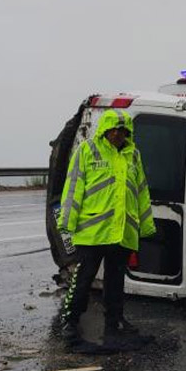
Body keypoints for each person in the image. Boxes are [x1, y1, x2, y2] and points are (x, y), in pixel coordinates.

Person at [57, 109, 156, 351]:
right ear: (105, 130)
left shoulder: (133, 155)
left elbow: (141, 191)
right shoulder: (87, 150)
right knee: (83, 280)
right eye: (114, 130)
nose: (118, 135)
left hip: (122, 233)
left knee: (115, 281)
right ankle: (70, 321)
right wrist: (67, 221)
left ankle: (115, 320)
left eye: (123, 131)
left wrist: (146, 225)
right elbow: (73, 187)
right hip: (92, 233)